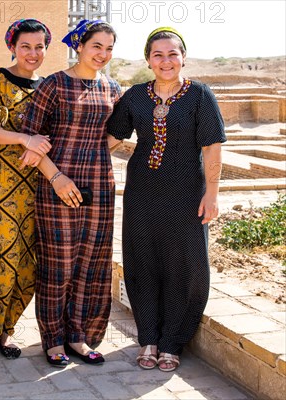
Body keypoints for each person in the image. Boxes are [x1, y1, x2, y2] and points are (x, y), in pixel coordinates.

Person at [106, 27, 225, 372]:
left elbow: (212, 147)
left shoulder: (200, 95)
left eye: (173, 54)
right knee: (142, 260)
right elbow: (112, 138)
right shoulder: (135, 96)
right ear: (148, 60)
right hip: (142, 191)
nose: (166, 61)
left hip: (188, 192)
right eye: (158, 55)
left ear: (183, 57)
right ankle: (149, 339)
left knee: (184, 263)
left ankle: (172, 340)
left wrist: (212, 194)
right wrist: (69, 157)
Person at [20, 20, 121, 367]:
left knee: (91, 264)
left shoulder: (112, 87)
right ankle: (53, 340)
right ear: (80, 45)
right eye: (97, 46)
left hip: (99, 187)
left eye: (109, 48)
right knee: (58, 265)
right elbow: (31, 139)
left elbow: (117, 132)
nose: (103, 54)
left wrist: (93, 153)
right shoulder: (54, 84)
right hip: (56, 187)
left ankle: (79, 336)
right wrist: (59, 177)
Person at [0, 19, 53, 361]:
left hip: (35, 187)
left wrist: (13, 132)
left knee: (30, 267)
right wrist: (22, 137)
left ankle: (6, 329)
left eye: (39, 47)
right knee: (1, 258)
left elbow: (53, 133)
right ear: (12, 47)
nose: (32, 53)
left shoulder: (49, 86)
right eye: (25, 46)